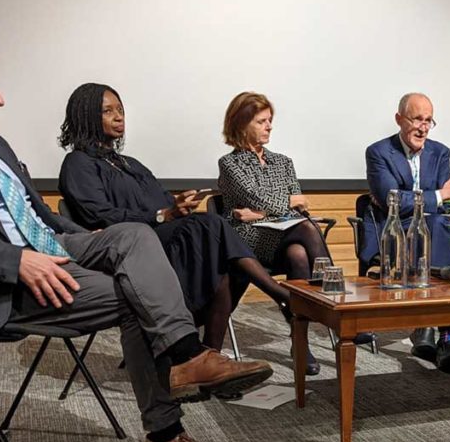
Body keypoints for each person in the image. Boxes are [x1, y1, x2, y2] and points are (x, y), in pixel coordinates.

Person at [0, 42, 272, 442]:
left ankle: (185, 357)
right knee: (136, 297)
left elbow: (38, 215)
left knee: (134, 235)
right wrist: (16, 260)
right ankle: (165, 435)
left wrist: (87, 239)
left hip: (50, 247)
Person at [58, 84, 320, 376]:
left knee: (221, 270)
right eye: (108, 111)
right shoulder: (77, 164)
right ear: (86, 116)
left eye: (120, 110)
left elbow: (162, 203)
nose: (119, 117)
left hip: (162, 240)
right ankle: (278, 292)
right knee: (212, 224)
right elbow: (100, 215)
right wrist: (162, 214)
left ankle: (211, 360)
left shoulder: (130, 165)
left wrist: (178, 205)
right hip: (130, 249)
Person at [364, 92, 450, 374]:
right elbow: (392, 201)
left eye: (428, 120)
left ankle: (432, 328)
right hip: (394, 233)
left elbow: (445, 203)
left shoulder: (440, 152)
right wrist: (439, 195)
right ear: (399, 119)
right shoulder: (379, 152)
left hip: (432, 232)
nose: (423, 127)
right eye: (416, 119)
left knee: (439, 227)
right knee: (436, 228)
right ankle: (446, 336)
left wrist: (431, 200)